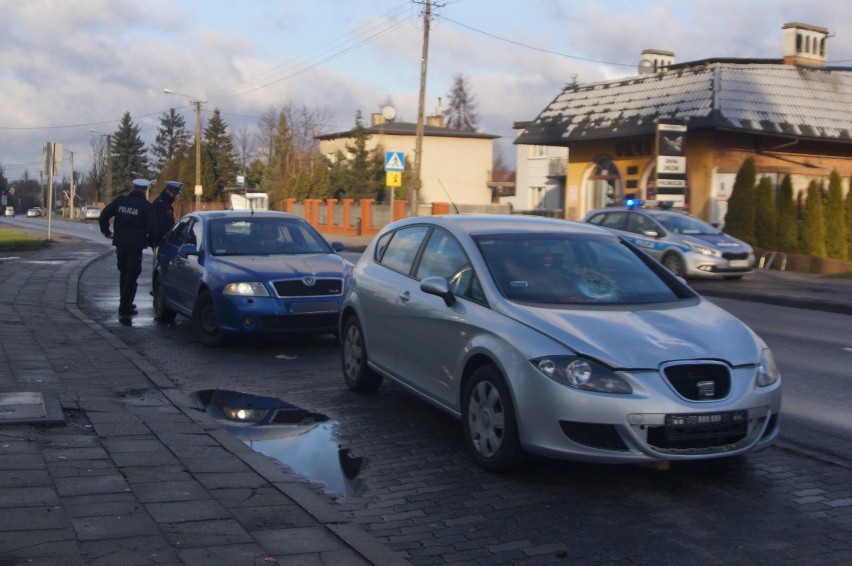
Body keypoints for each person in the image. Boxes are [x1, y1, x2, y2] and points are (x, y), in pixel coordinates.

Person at [99, 178, 158, 323]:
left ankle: (126, 302)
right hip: (135, 245)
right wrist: (150, 241)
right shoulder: (145, 206)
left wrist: (106, 232)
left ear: (133, 188)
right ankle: (124, 306)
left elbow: (104, 215)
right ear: (144, 190)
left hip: (120, 243)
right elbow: (152, 227)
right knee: (132, 274)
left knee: (124, 273)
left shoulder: (120, 202)